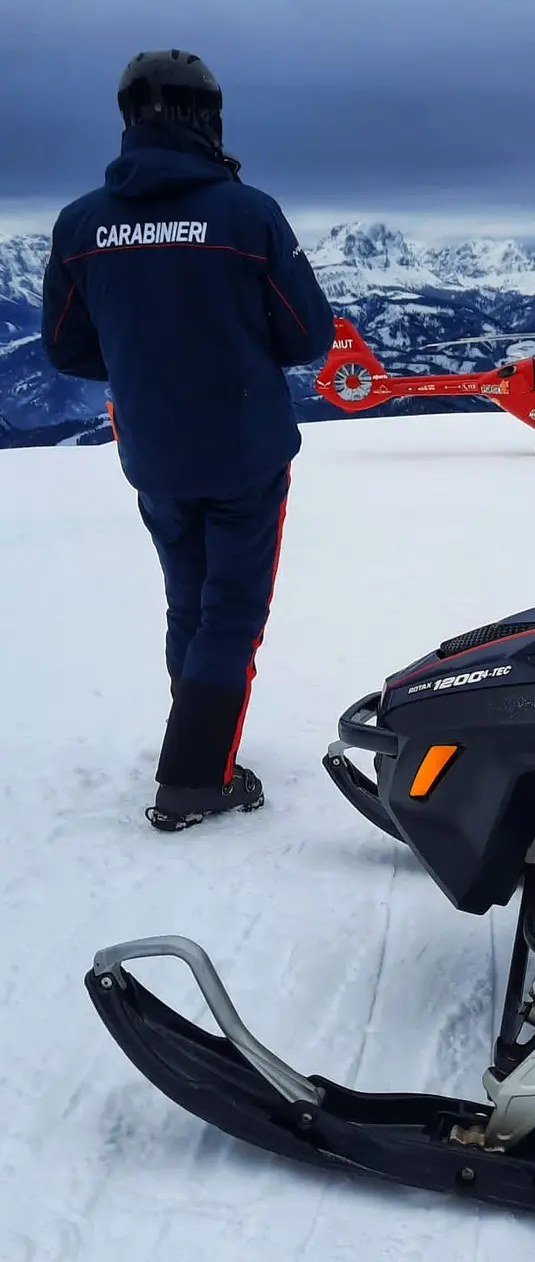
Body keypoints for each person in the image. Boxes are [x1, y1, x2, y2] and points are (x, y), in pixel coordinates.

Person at [40, 49, 336, 832]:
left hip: (154, 449)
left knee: (189, 600)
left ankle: (194, 735)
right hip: (244, 448)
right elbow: (307, 335)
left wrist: (146, 361)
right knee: (232, 612)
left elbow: (67, 349)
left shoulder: (79, 223)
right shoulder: (247, 214)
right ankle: (196, 775)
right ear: (208, 118)